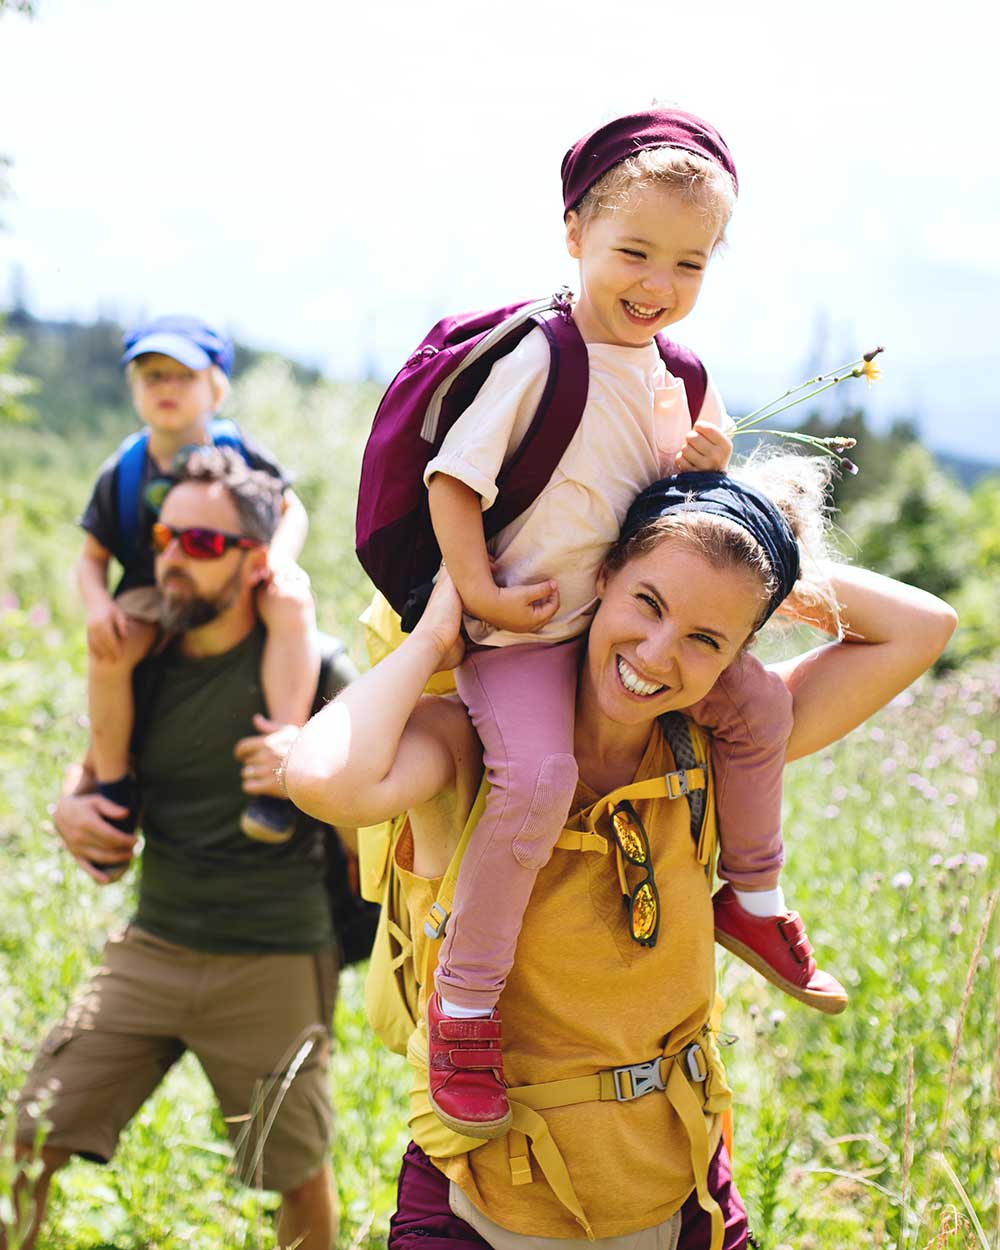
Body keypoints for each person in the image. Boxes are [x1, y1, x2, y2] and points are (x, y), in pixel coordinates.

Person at [284, 454, 957, 1249]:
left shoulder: (716, 746)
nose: (659, 654)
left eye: (707, 638)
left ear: (737, 653)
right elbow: (324, 779)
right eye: (648, 600)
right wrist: (435, 634)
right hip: (480, 1202)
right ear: (598, 576)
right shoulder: (468, 746)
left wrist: (750, 545)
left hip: (682, 1195)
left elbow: (923, 627)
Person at [412, 107, 841, 1138]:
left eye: (687, 264)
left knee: (753, 710)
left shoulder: (674, 373)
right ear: (574, 234)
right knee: (539, 777)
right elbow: (453, 481)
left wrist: (700, 458)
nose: (657, 283)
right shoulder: (540, 354)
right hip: (523, 630)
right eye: (634, 252)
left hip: (615, 620)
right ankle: (464, 1005)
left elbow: (669, 498)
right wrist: (475, 593)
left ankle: (753, 891)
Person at [7, 448, 357, 1250]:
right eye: (166, 537)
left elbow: (379, 824)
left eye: (201, 545)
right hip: (153, 944)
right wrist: (70, 806)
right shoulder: (141, 654)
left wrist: (312, 770)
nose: (170, 558)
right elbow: (97, 765)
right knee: (28, 1139)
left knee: (296, 1177)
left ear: (256, 562)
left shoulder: (318, 668)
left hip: (272, 959)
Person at [77, 314, 319, 846]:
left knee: (291, 605)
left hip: (234, 576)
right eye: (152, 376)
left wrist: (277, 559)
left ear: (216, 387)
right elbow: (91, 557)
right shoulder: (123, 469)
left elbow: (290, 508)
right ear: (133, 388)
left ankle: (279, 759)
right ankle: (115, 785)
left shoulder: (239, 450)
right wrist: (98, 607)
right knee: (110, 652)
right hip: (150, 587)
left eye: (182, 376)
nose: (166, 389)